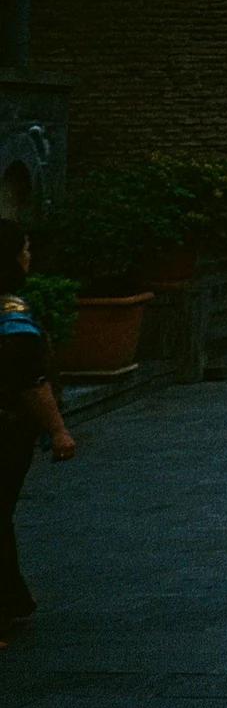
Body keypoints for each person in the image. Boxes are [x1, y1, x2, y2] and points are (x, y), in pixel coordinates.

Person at [2, 219, 76, 648]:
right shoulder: (12, 319)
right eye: (24, 249)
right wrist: (58, 431)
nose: (29, 256)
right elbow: (31, 382)